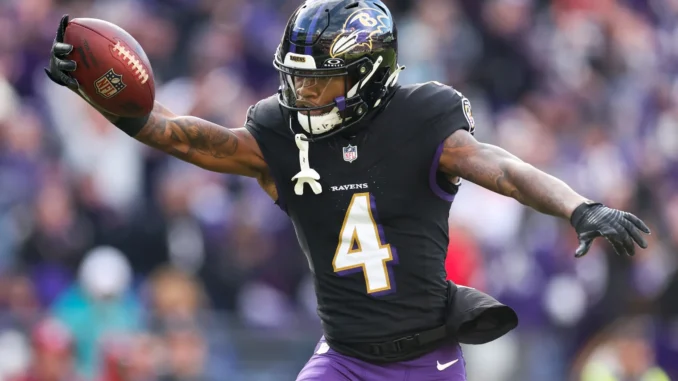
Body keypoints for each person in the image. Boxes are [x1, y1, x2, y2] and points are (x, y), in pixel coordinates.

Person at [45, 1, 651, 380]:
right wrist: (107, 99)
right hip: (343, 358)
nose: (301, 95)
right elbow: (187, 139)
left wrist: (579, 205)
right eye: (297, 80)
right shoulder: (278, 133)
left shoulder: (422, 120)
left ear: (369, 76)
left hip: (424, 363)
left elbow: (501, 167)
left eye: (319, 82)